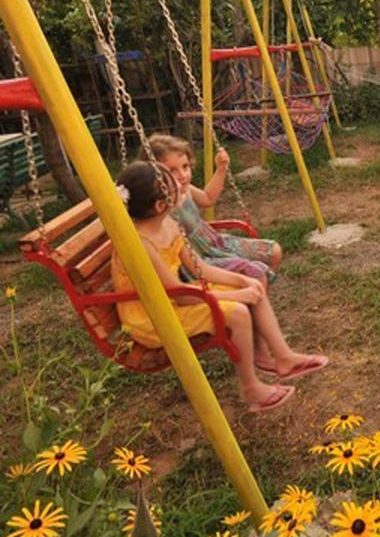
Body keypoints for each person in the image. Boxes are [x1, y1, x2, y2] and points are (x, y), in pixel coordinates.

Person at [112, 161, 327, 413]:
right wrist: (238, 293)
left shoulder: (168, 225)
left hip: (176, 297)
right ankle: (251, 387)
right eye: (176, 189)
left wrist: (242, 281)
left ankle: (283, 357)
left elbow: (199, 268)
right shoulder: (141, 245)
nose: (183, 188)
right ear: (161, 205)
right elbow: (178, 295)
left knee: (254, 287)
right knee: (237, 311)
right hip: (154, 317)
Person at [146, 133, 281, 282]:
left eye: (185, 166)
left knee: (274, 251)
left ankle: (258, 296)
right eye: (172, 171)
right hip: (197, 258)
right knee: (254, 272)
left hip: (215, 243)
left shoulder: (186, 189)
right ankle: (251, 298)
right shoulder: (162, 207)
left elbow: (208, 198)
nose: (182, 175)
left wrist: (221, 170)